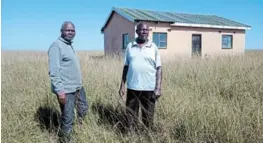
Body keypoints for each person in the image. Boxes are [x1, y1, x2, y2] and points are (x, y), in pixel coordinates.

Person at [48, 21, 88, 142]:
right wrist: (60, 92)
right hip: (66, 89)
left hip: (77, 87)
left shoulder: (69, 45)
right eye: (68, 30)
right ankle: (65, 139)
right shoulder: (56, 46)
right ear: (62, 31)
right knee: (68, 117)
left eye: (72, 30)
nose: (70, 32)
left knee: (83, 108)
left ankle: (80, 129)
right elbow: (54, 72)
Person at [119, 23, 162, 130]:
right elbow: (126, 67)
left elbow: (159, 68)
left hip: (149, 88)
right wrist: (122, 85)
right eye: (142, 29)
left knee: (148, 115)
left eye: (146, 30)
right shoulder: (130, 46)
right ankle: (131, 134)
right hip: (133, 87)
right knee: (130, 114)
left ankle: (147, 135)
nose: (144, 32)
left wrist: (158, 88)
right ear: (137, 31)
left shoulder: (153, 47)